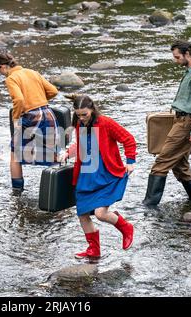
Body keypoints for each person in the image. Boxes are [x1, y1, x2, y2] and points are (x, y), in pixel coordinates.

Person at [60, 95, 136, 259]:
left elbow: (128, 139)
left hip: (106, 174)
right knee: (82, 214)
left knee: (101, 214)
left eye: (84, 114)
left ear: (92, 110)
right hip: (86, 175)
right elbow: (80, 145)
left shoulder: (106, 123)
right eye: (78, 115)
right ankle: (93, 250)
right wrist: (67, 153)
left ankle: (126, 228)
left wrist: (130, 161)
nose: (81, 118)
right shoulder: (79, 124)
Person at [143, 40, 191, 207]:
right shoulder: (190, 71)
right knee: (181, 168)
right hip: (181, 120)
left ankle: (149, 205)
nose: (175, 60)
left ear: (187, 54)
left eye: (177, 57)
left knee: (161, 163)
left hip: (186, 123)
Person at [0, 52, 59, 193]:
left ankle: (17, 192)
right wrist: (40, 99)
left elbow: (18, 100)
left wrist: (16, 118)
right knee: (53, 153)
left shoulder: (11, 78)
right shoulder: (32, 72)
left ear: (2, 67)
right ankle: (59, 190)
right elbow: (54, 91)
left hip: (31, 117)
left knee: (15, 154)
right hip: (48, 114)